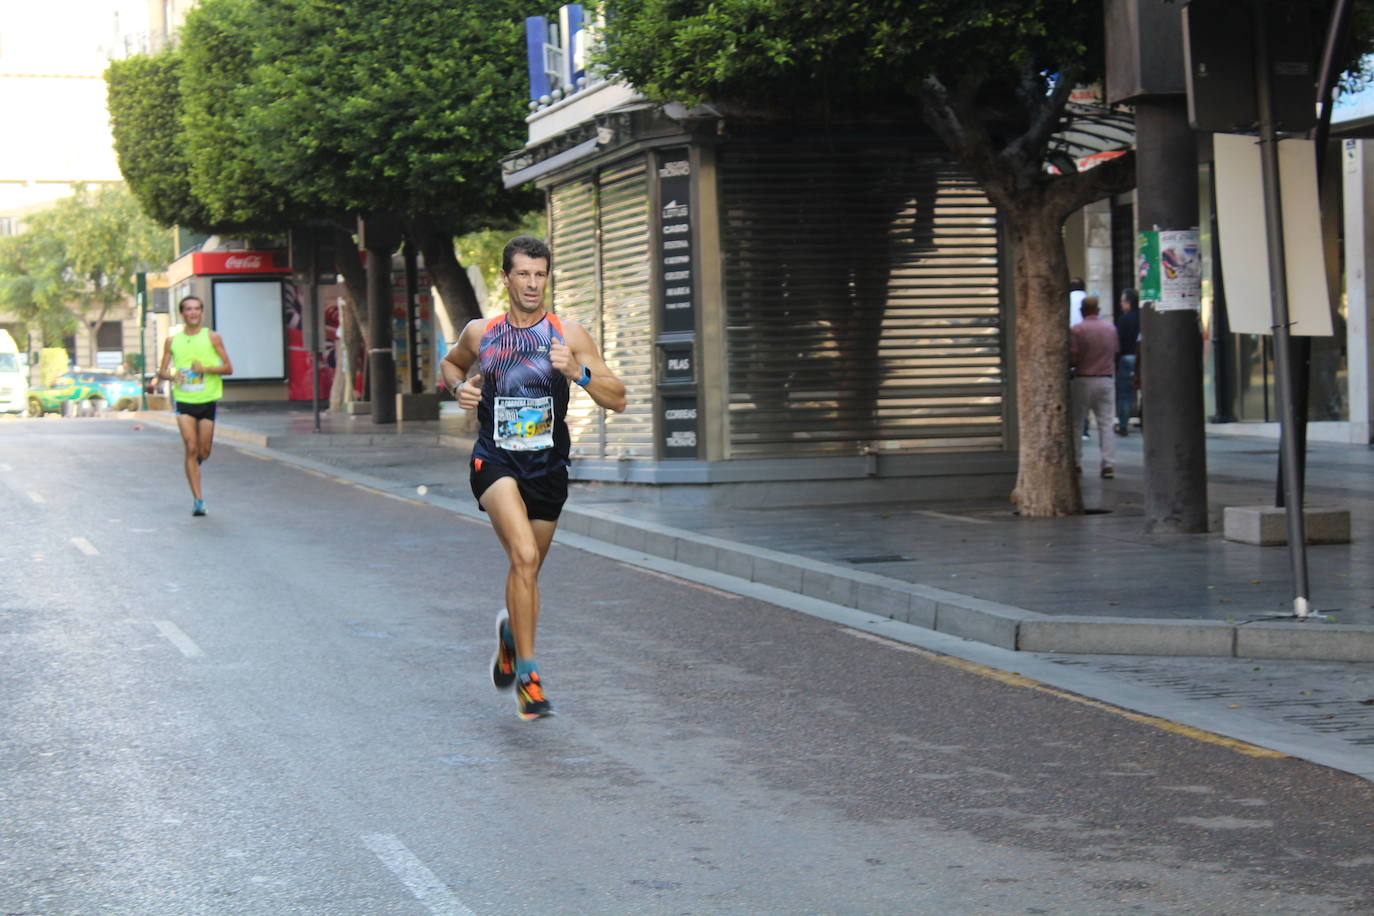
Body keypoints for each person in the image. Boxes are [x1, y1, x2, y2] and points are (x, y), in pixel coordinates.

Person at [440, 236, 626, 720]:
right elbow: (451, 363)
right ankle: (528, 676)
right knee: (522, 555)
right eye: (523, 274)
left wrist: (579, 373)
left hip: (547, 468)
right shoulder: (482, 333)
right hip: (495, 462)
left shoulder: (568, 335)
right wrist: (460, 388)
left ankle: (509, 635)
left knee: (528, 570)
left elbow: (619, 397)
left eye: (540, 274)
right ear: (506, 278)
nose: (532, 283)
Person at [152, 296, 233, 516]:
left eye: (197, 309)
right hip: (184, 401)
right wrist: (171, 376)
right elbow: (162, 371)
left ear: (202, 313)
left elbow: (228, 368)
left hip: (207, 401)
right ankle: (198, 500)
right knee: (191, 447)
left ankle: (193, 466)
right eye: (188, 309)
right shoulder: (173, 341)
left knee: (204, 451)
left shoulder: (213, 337)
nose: (193, 313)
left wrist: (205, 369)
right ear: (182, 313)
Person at [1069, 295, 1118, 478]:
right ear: (1098, 310)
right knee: (1106, 423)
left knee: (1077, 423)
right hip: (1105, 379)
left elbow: (1073, 357)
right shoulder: (1110, 329)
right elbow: (1114, 352)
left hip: (1082, 379)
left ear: (1082, 311)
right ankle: (1108, 464)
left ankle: (1076, 462)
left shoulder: (1077, 330)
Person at [1114, 288, 1141, 435]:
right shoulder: (1144, 317)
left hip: (1126, 357)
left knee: (1124, 393)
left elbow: (1119, 341)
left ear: (1128, 303)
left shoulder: (1124, 319)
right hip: (1141, 358)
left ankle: (1123, 425)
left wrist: (1116, 360)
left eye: (1122, 301)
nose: (1121, 305)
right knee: (1145, 391)